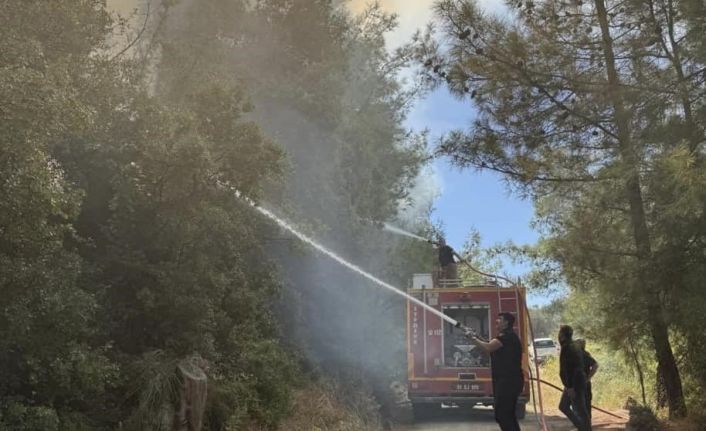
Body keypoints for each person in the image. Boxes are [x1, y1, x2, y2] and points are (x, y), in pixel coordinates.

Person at [467, 312, 524, 431]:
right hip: (508, 381)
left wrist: (472, 339)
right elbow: (490, 347)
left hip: (508, 382)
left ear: (506, 322)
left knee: (503, 415)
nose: (497, 321)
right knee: (507, 415)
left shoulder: (507, 337)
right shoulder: (507, 337)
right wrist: (476, 337)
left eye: (500, 319)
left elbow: (488, 347)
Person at [558, 325, 591, 431]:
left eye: (560, 333)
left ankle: (585, 429)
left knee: (580, 410)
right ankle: (582, 428)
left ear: (562, 335)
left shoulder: (568, 347)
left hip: (574, 383)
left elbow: (569, 369)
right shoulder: (573, 345)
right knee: (564, 406)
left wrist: (570, 387)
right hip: (575, 381)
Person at [576, 338, 599, 421]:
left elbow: (595, 365)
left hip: (582, 384)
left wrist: (588, 378)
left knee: (584, 404)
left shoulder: (584, 355)